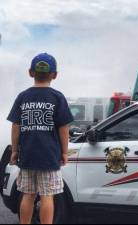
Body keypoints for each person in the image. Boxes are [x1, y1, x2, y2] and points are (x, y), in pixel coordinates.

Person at [7, 53, 74, 224]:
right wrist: (64, 152)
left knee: (28, 195)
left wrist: (15, 150)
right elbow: (63, 127)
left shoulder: (23, 97)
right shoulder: (57, 97)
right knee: (47, 196)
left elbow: (16, 126)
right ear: (55, 75)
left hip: (27, 156)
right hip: (49, 157)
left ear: (30, 73)